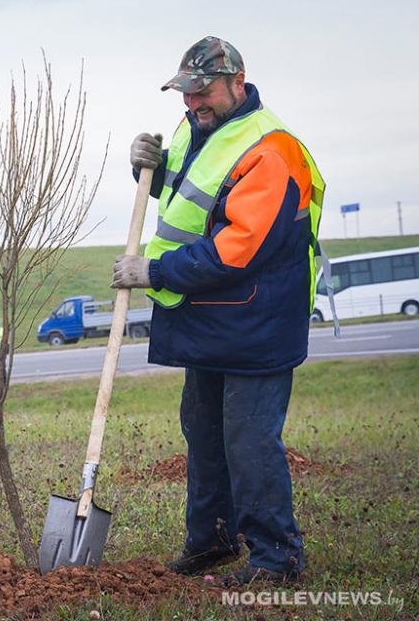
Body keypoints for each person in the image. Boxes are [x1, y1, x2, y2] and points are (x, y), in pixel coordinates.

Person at [113, 36, 324, 586]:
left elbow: (238, 246)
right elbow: (193, 197)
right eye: (186, 93)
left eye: (202, 92)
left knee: (249, 439)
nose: (192, 104)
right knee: (203, 431)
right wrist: (151, 172)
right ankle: (212, 541)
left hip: (257, 319)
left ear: (238, 81)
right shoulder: (198, 127)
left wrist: (153, 273)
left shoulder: (272, 150)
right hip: (211, 315)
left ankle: (276, 559)